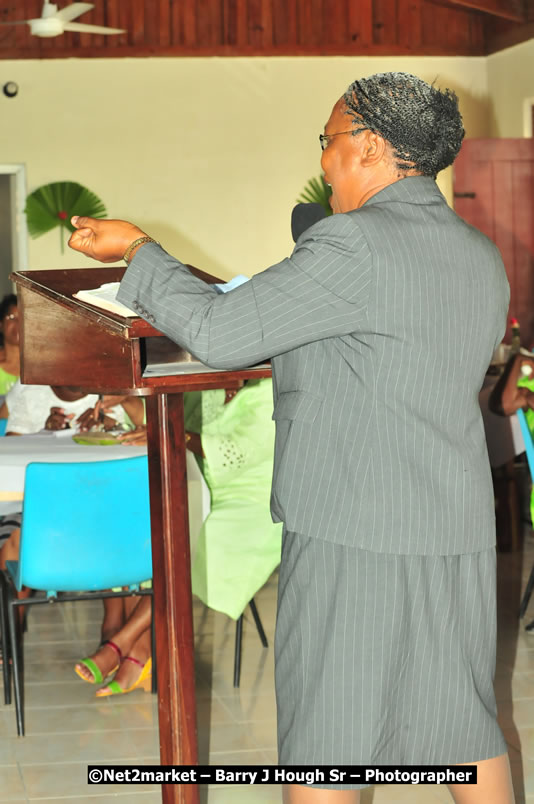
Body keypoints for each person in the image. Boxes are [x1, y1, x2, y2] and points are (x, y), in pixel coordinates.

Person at [68, 72, 512, 803]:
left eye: (330, 142)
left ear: (370, 147)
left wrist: (140, 250)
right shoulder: (476, 253)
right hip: (453, 522)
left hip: (354, 526)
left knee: (327, 736)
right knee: (462, 726)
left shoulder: (355, 244)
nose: (327, 159)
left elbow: (219, 332)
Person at [0, 293, 20, 401]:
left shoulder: (39, 366)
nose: (18, 322)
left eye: (23, 317)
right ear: (1, 324)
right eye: (12, 317)